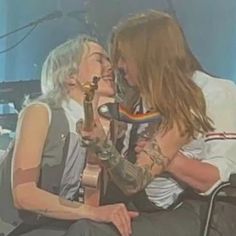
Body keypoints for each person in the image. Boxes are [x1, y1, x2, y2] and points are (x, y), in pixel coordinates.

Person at [80, 10, 236, 236]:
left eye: (124, 57)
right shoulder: (137, 102)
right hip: (146, 208)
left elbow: (223, 180)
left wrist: (170, 161)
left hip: (202, 211)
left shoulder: (209, 94)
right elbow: (130, 175)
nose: (118, 66)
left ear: (147, 55)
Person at [0, 35, 139, 236]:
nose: (110, 66)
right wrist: (95, 213)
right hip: (12, 227)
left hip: (52, 226)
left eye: (108, 60)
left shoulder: (104, 128)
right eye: (99, 59)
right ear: (70, 75)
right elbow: (24, 195)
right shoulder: (40, 112)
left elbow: (92, 198)